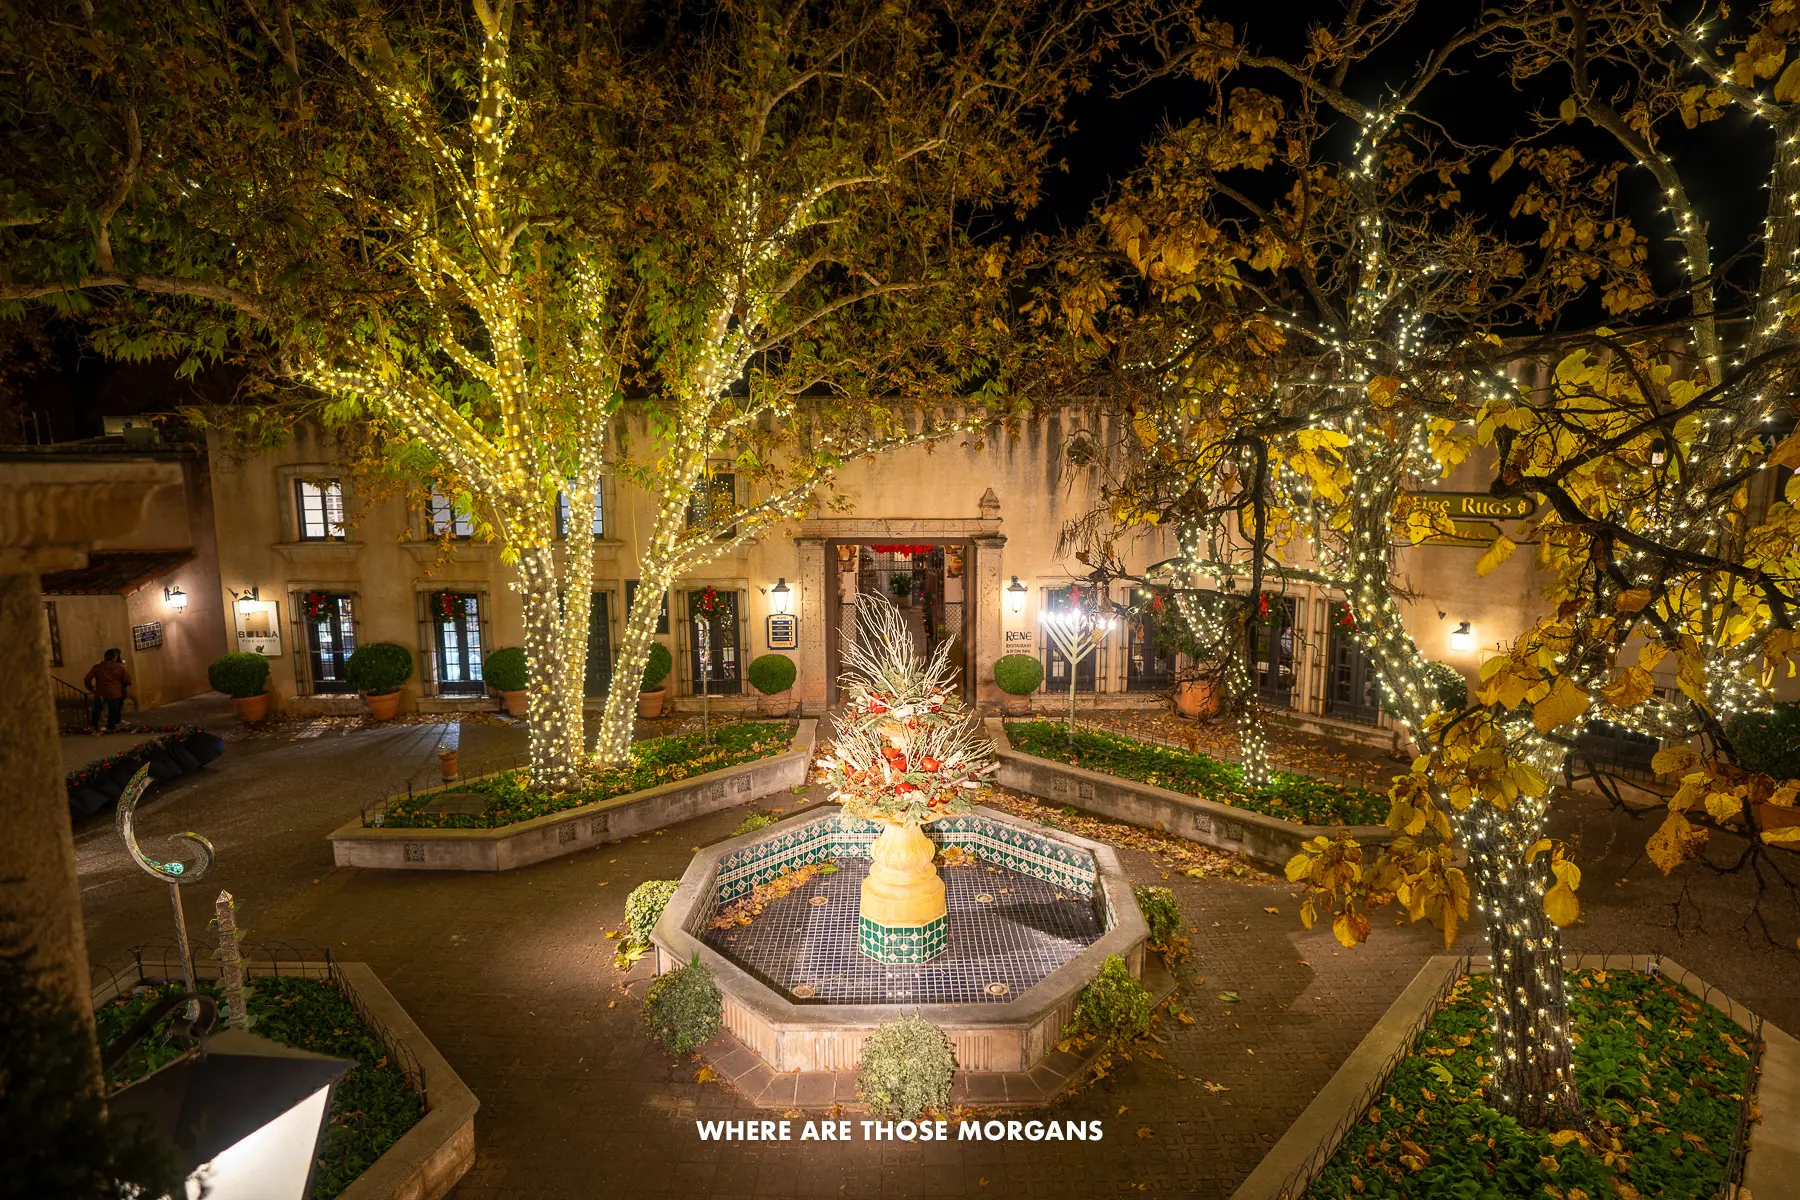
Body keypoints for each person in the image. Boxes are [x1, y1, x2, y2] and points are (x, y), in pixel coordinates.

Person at [83, 648, 132, 734]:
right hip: (114, 693)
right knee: (113, 711)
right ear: (115, 657)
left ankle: (94, 725)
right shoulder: (120, 668)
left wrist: (91, 688)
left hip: (100, 692)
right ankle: (110, 727)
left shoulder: (97, 667)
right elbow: (127, 680)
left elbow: (87, 679)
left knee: (97, 710)